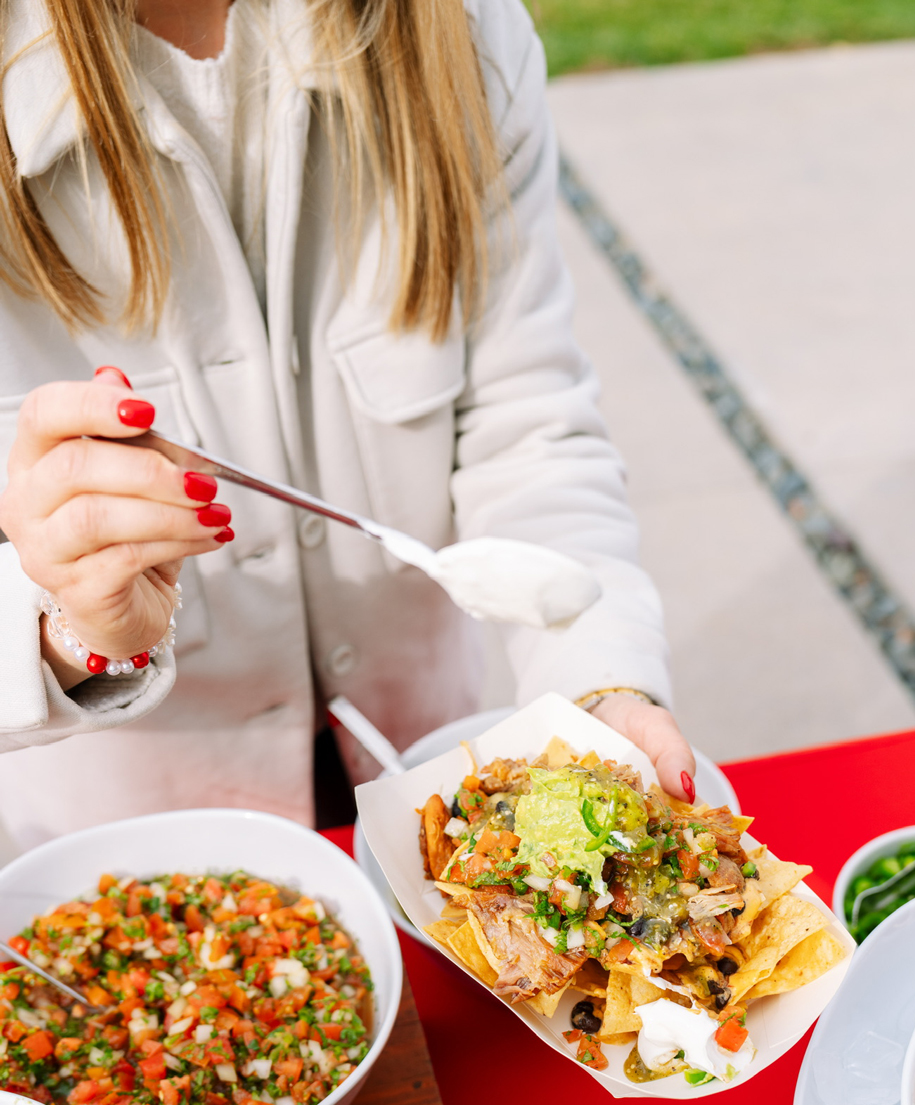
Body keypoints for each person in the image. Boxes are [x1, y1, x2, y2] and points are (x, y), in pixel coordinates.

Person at [0, 0, 695, 851]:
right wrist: (66, 635)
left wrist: (599, 684)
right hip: (134, 840)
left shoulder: (460, 30)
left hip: (428, 759)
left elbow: (526, 427)